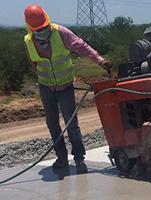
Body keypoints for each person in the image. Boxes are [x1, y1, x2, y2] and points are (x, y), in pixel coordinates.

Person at [23, 4, 112, 174]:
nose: (41, 31)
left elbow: (81, 46)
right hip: (46, 87)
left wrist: (100, 60)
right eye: (37, 29)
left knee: (71, 123)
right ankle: (61, 158)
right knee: (52, 124)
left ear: (46, 21)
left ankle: (79, 158)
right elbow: (34, 65)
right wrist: (47, 82)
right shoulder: (28, 42)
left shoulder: (60, 33)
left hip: (65, 86)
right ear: (29, 27)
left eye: (43, 27)